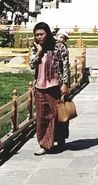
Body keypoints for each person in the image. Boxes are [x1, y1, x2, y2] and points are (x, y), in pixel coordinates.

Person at [29, 22, 71, 155]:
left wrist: (65, 83)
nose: (39, 37)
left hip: (55, 86)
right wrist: (39, 53)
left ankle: (60, 140)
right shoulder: (36, 48)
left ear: (47, 33)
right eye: (36, 35)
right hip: (40, 87)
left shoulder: (59, 47)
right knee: (42, 117)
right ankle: (45, 144)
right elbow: (31, 65)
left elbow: (65, 65)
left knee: (59, 115)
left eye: (41, 34)